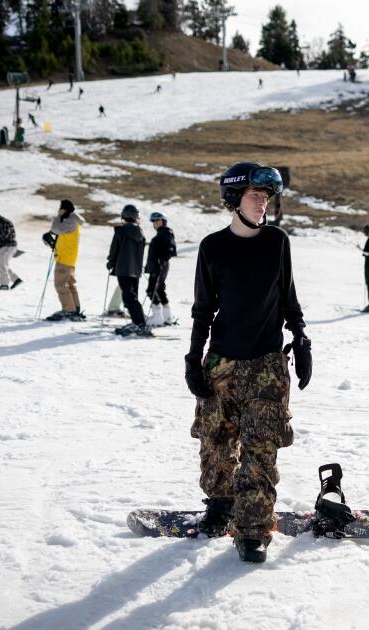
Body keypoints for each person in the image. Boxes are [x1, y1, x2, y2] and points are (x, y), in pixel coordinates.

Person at [183, 162, 311, 563]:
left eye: (267, 197)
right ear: (234, 199)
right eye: (256, 196)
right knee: (216, 447)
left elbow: (288, 297)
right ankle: (221, 506)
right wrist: (193, 359)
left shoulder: (277, 242)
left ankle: (253, 531)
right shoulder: (212, 247)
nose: (263, 204)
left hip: (267, 367)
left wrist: (301, 339)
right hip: (221, 364)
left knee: (260, 450)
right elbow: (203, 310)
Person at [107, 204, 149, 336]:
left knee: (128, 297)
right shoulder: (140, 232)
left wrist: (111, 262)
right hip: (135, 270)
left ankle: (139, 324)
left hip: (123, 269)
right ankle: (137, 322)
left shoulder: (121, 231)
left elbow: (114, 249)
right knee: (132, 296)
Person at [43, 200, 86, 321]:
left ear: (65, 210)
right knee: (70, 284)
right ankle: (75, 308)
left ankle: (68, 310)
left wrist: (58, 217)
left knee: (60, 284)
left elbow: (55, 228)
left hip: (64, 258)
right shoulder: (72, 221)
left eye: (60, 208)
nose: (58, 210)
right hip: (68, 258)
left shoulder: (71, 222)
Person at [144, 211, 177, 326]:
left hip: (159, 267)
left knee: (151, 290)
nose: (155, 223)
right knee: (159, 289)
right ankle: (167, 317)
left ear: (163, 221)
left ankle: (157, 317)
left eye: (157, 220)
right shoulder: (162, 233)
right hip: (158, 266)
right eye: (153, 221)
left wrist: (161, 260)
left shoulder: (166, 233)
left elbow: (171, 249)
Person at [0, 209, 21, 290]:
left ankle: (4, 285)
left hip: (9, 246)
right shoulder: (2, 223)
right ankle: (16, 279)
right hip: (7, 246)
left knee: (2, 265)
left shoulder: (4, 222)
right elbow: (3, 236)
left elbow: (4, 236)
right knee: (3, 265)